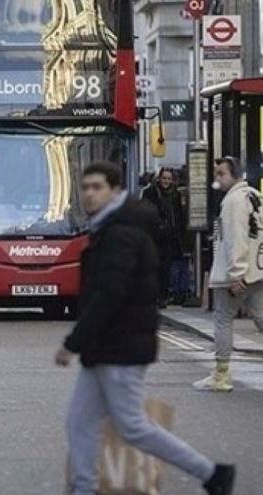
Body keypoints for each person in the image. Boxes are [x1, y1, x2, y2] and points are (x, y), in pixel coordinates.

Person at [55, 162, 235, 495]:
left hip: (121, 348)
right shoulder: (108, 228)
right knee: (79, 422)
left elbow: (109, 294)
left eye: (97, 187)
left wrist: (74, 342)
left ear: (115, 191)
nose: (90, 193)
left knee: (133, 427)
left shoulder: (121, 233)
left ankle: (211, 473)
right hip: (105, 347)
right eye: (85, 187)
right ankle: (83, 488)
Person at [194, 156, 263, 392]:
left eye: (221, 174)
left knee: (222, 320)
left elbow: (236, 238)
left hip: (237, 274)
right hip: (257, 269)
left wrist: (236, 273)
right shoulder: (256, 195)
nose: (218, 179)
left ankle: (221, 376)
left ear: (234, 174)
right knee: (261, 318)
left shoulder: (233, 201)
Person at [140, 167, 187, 307]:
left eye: (169, 179)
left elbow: (178, 215)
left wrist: (179, 232)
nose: (166, 181)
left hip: (170, 236)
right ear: (159, 179)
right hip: (154, 236)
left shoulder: (175, 195)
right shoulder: (150, 193)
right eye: (164, 178)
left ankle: (163, 295)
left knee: (166, 267)